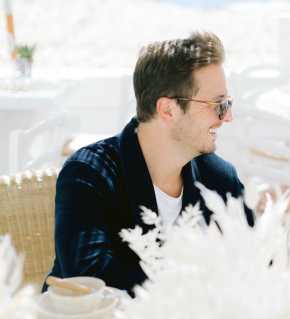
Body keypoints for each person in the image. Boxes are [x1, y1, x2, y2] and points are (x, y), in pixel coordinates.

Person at [46, 31, 254, 295]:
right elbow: (90, 281)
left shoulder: (220, 178)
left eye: (227, 104)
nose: (227, 117)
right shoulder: (89, 173)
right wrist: (206, 276)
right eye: (217, 104)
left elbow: (257, 263)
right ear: (168, 110)